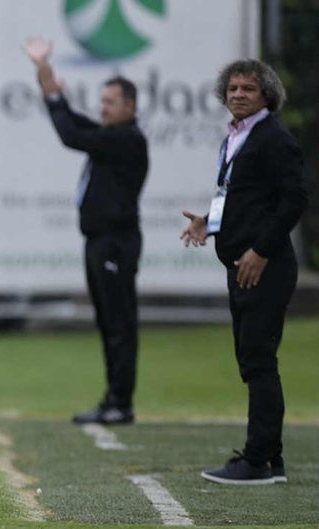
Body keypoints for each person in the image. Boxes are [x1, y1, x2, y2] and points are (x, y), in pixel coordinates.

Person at [180, 59, 307, 485]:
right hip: (241, 266)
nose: (238, 94)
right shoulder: (237, 135)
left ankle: (257, 461)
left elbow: (294, 199)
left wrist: (261, 250)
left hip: (263, 267)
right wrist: (210, 222)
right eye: (233, 88)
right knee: (252, 360)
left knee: (259, 361)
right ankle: (271, 457)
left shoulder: (274, 138)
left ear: (266, 95)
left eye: (248, 89)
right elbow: (238, 195)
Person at [23, 37, 148, 425]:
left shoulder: (127, 139)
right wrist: (46, 76)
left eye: (110, 102)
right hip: (99, 242)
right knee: (108, 321)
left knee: (119, 323)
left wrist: (53, 94)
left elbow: (71, 134)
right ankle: (113, 398)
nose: (103, 107)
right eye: (103, 100)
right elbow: (77, 123)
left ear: (129, 107)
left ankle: (121, 402)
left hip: (116, 243)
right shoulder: (112, 137)